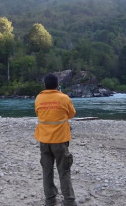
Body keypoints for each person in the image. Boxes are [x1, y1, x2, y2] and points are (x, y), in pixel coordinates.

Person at [34, 73, 77, 206]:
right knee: (64, 171)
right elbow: (72, 114)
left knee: (47, 171)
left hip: (44, 141)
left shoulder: (39, 98)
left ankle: (50, 200)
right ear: (58, 85)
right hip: (60, 141)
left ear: (45, 85)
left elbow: (38, 113)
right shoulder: (64, 98)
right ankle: (69, 201)